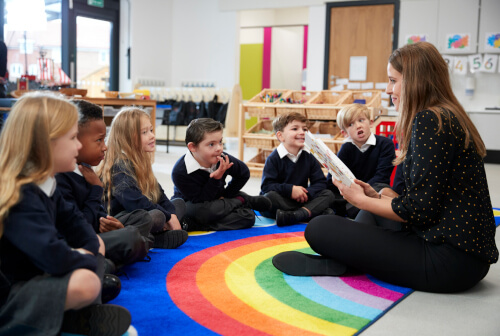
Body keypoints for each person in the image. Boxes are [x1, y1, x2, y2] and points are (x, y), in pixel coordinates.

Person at [272, 41, 498, 293]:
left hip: (447, 262)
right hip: (467, 259)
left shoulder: (429, 120)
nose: (389, 89)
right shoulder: (447, 115)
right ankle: (346, 258)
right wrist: (377, 196)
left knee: (320, 228)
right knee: (372, 212)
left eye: (393, 80)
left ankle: (343, 261)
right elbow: (431, 200)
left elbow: (419, 210)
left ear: (415, 81)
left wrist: (360, 200)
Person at [0, 92, 131, 335]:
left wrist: (89, 250)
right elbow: (52, 254)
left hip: (42, 273)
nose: (79, 145)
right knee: (88, 282)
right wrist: (86, 258)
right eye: (72, 138)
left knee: (98, 248)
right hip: (13, 293)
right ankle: (28, 324)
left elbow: (76, 226)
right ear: (45, 143)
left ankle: (70, 315)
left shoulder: (46, 185)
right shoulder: (21, 195)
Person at [56, 100, 152, 271]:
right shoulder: (62, 177)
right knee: (131, 238)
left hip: (94, 232)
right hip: (78, 240)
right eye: (99, 140)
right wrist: (96, 189)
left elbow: (98, 214)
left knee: (142, 219)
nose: (105, 147)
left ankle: (114, 259)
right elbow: (78, 227)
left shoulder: (85, 170)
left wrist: (113, 226)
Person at [97, 107, 188, 249]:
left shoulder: (140, 160)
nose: (152, 135)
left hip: (140, 214)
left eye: (151, 130)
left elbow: (159, 194)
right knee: (157, 216)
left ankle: (155, 236)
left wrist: (171, 214)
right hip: (120, 219)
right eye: (144, 132)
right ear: (127, 138)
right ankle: (154, 239)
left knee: (178, 203)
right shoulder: (120, 165)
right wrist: (168, 217)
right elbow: (135, 203)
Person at [171, 118, 272, 231]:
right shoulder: (180, 171)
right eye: (211, 144)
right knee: (199, 212)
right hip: (194, 204)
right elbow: (200, 200)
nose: (219, 148)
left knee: (248, 217)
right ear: (193, 147)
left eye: (220, 142)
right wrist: (216, 179)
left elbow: (243, 173)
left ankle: (194, 224)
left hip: (218, 200)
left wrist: (227, 194)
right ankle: (241, 199)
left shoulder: (222, 158)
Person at [260, 112, 335, 226]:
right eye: (295, 129)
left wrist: (306, 193)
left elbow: (320, 182)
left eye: (305, 129)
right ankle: (308, 212)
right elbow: (267, 186)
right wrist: (290, 190)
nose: (302, 132)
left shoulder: (309, 156)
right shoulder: (273, 158)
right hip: (282, 199)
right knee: (269, 198)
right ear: (280, 136)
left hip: (302, 199)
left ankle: (296, 215)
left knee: (328, 194)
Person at [326, 103, 396, 218]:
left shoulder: (385, 144)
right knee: (326, 194)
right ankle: (351, 209)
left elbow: (382, 176)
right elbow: (332, 179)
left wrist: (359, 193)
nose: (358, 126)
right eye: (351, 124)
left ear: (371, 122)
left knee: (382, 189)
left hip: (374, 190)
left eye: (361, 120)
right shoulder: (346, 148)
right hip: (351, 193)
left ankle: (349, 210)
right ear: (344, 133)